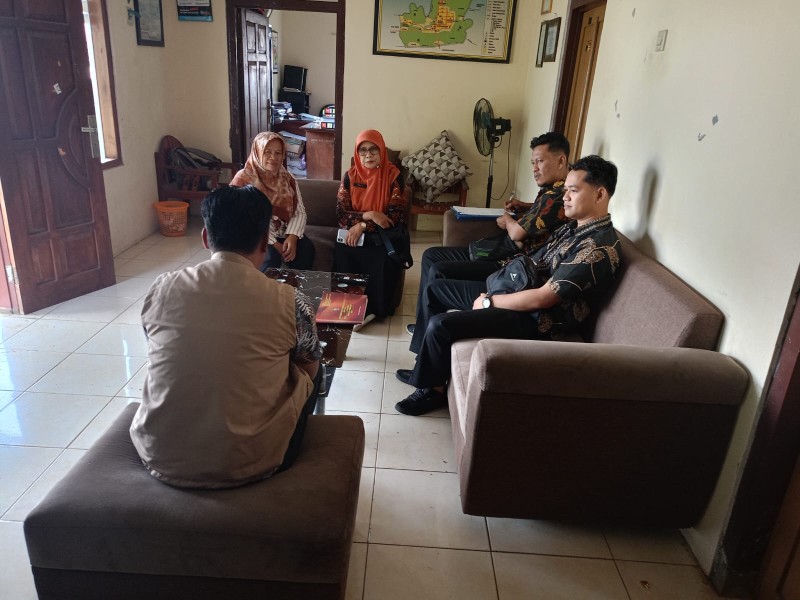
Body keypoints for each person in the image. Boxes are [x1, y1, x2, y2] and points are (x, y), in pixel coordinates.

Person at [396, 155, 622, 416]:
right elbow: (532, 262)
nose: (566, 197)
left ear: (600, 194)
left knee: (441, 326)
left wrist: (490, 301)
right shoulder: (573, 228)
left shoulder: (596, 248)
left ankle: (432, 390)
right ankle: (424, 367)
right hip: (519, 294)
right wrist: (497, 286)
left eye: (573, 190)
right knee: (435, 290)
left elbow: (544, 298)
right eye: (566, 190)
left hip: (537, 319)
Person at [130, 184, 323, 488]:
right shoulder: (291, 300)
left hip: (158, 453)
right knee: (314, 368)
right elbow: (308, 369)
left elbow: (155, 345)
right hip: (252, 462)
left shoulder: (162, 287)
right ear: (265, 242)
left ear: (205, 237)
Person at [407, 131, 571, 337]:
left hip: (510, 263)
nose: (534, 169)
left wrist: (507, 219)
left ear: (561, 160)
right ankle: (423, 326)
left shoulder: (558, 196)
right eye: (532, 163)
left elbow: (517, 234)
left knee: (438, 267)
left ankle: (424, 330)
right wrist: (525, 206)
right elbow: (545, 212)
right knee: (432, 256)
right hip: (509, 256)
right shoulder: (552, 191)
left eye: (540, 161)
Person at [334, 129, 408, 325]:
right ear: (357, 153)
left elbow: (392, 218)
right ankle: (347, 308)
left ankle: (372, 311)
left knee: (382, 257)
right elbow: (341, 214)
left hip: (382, 236)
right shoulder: (350, 176)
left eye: (373, 149)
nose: (368, 155)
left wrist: (362, 225)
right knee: (343, 251)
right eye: (363, 150)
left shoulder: (394, 176)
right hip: (357, 232)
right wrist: (369, 216)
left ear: (382, 151)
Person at [230, 131, 315, 271]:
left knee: (306, 250)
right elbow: (245, 219)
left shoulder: (287, 178)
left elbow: (299, 212)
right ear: (257, 152)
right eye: (267, 152)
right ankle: (263, 286)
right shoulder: (243, 179)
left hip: (284, 231)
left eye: (278, 153)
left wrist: (292, 237)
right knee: (270, 258)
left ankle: (295, 285)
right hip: (255, 235)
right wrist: (275, 244)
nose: (273, 157)